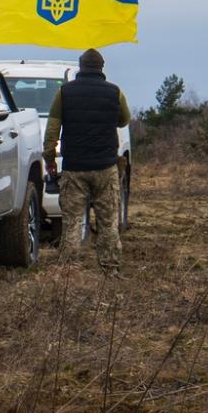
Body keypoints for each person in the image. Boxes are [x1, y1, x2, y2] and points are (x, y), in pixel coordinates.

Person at [43, 48, 131, 276]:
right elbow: (124, 120)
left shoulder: (64, 93)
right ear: (102, 68)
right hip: (106, 167)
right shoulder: (115, 92)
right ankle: (110, 270)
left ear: (80, 67)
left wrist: (50, 159)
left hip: (74, 168)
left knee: (72, 223)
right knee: (108, 222)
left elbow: (52, 130)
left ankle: (68, 273)